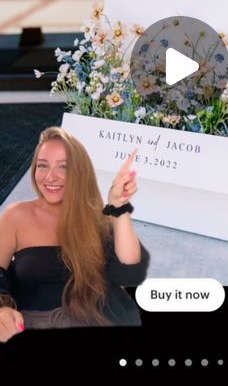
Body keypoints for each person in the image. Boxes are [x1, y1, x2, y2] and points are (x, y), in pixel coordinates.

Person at [0, 126, 149, 342]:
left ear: (80, 172)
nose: (51, 176)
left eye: (64, 167)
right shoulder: (16, 215)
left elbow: (128, 273)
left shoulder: (95, 217)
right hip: (30, 323)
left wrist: (118, 207)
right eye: (43, 166)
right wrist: (2, 308)